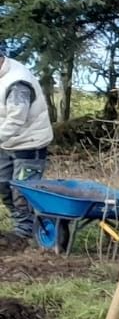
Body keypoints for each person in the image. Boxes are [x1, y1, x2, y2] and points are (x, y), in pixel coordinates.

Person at [0, 48, 54, 251]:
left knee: (21, 191)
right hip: (7, 142)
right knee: (3, 185)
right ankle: (22, 225)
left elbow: (16, 120)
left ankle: (25, 234)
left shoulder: (17, 83)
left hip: (29, 143)